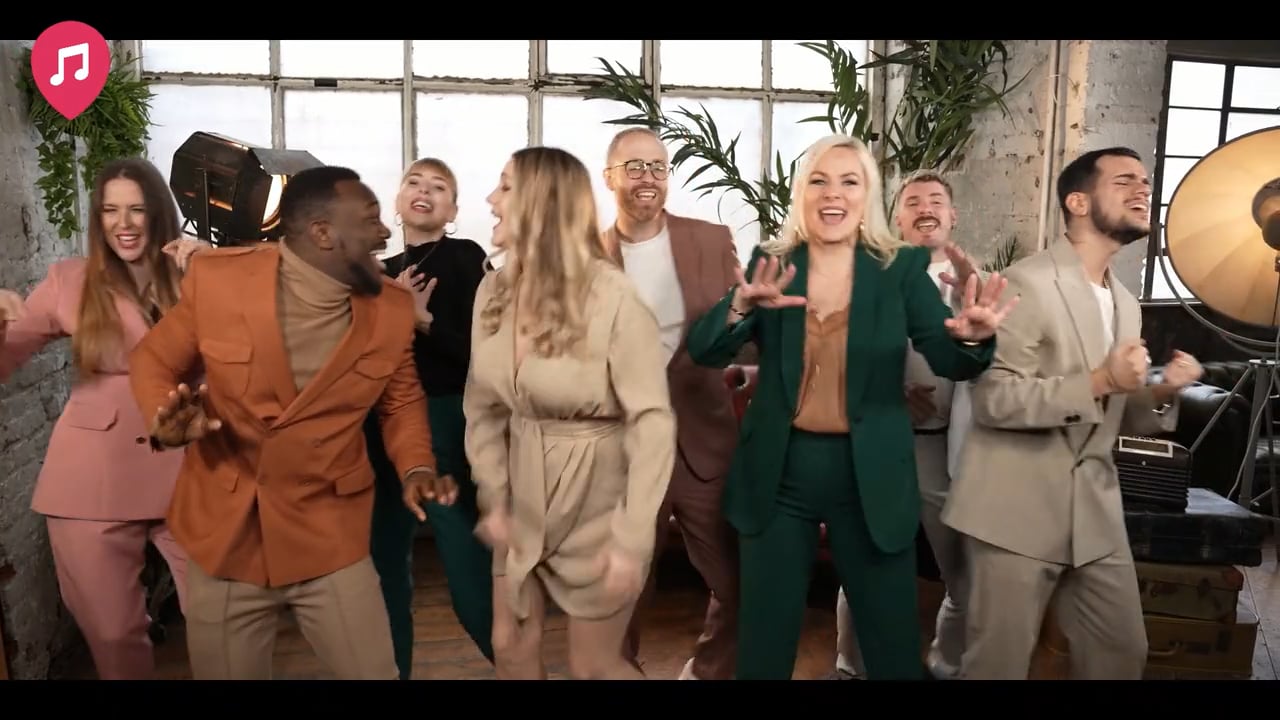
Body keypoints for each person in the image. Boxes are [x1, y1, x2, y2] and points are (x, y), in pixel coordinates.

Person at [683, 134, 1016, 680]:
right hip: (779, 473)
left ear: (868, 195)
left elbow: (951, 360)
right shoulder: (773, 260)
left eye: (849, 181)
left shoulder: (900, 268)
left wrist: (975, 338)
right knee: (763, 644)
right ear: (802, 193)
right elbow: (705, 350)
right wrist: (740, 305)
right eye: (819, 180)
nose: (833, 193)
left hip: (870, 475)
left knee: (890, 645)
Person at [128, 165, 456, 680]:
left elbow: (400, 401)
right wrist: (163, 417)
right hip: (228, 534)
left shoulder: (392, 309)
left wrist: (415, 466)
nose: (384, 232)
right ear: (322, 233)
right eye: (369, 220)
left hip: (330, 532)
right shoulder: (219, 281)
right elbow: (153, 359)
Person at [942, 147, 1205, 680]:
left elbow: (1114, 413)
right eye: (1124, 181)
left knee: (1122, 654)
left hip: (1096, 516)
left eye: (1146, 181)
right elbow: (995, 401)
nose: (1143, 190)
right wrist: (1102, 380)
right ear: (1078, 202)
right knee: (996, 667)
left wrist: (1162, 391)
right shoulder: (1026, 282)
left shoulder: (1125, 302)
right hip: (1013, 513)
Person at [461, 146, 676, 680]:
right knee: (509, 646)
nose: (490, 200)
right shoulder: (491, 290)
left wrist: (632, 538)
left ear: (543, 203)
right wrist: (493, 495)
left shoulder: (614, 298)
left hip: (599, 499)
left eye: (505, 187)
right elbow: (482, 407)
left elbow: (653, 422)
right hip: (522, 496)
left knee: (593, 668)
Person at [0, 157, 206, 680]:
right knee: (113, 634)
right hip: (93, 478)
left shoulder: (202, 273)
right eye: (110, 210)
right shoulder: (69, 280)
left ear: (160, 213)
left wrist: (218, 271)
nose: (124, 223)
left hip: (197, 469)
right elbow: (6, 357)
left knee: (226, 620)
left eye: (137, 209)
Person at [601, 128, 741, 681]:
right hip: (623, 449)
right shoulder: (584, 255)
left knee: (738, 583)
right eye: (634, 167)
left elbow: (742, 328)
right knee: (620, 590)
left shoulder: (710, 239)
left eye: (658, 167)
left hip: (702, 442)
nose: (648, 178)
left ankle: (707, 673)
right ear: (609, 178)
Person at [832, 169, 982, 680]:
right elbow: (837, 354)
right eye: (913, 201)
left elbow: (999, 366)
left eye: (936, 200)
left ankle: (946, 665)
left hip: (948, 453)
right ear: (897, 219)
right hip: (880, 447)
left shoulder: (979, 282)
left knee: (963, 576)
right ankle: (850, 668)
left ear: (952, 215)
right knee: (864, 568)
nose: (925, 208)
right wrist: (890, 392)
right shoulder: (869, 277)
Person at [363, 158, 494, 678]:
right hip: (381, 429)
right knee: (384, 566)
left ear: (453, 210)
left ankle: (515, 664)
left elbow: (486, 356)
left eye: (439, 187)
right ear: (398, 202)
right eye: (413, 183)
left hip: (445, 421)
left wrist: (422, 320)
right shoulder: (377, 273)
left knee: (466, 562)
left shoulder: (466, 258)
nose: (424, 191)